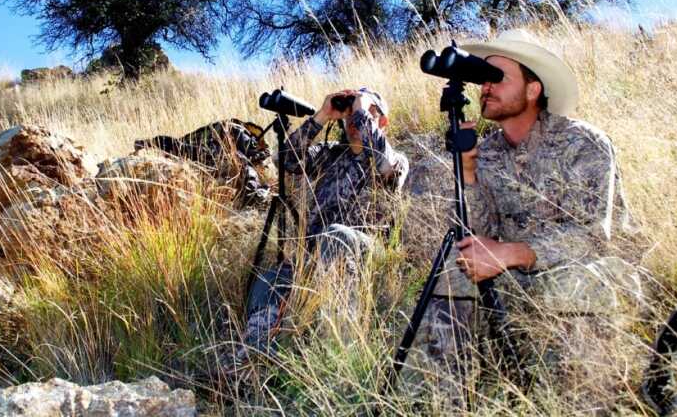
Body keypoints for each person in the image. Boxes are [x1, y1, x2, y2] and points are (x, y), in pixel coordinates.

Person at [404, 29, 636, 409]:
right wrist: (468, 175)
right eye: (483, 79)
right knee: (453, 270)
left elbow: (596, 236)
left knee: (573, 280)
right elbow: (477, 234)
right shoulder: (487, 150)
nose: (486, 88)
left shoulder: (582, 142)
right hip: (516, 282)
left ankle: (586, 403)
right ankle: (445, 400)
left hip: (592, 273)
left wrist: (514, 252)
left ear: (532, 89)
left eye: (498, 78)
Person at [222, 87, 409, 373]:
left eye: (365, 115)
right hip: (313, 259)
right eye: (349, 117)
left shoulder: (395, 159)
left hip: (368, 255)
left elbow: (387, 166)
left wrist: (362, 109)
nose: (354, 122)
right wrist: (322, 116)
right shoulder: (329, 154)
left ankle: (339, 355)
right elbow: (285, 161)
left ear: (380, 122)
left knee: (336, 234)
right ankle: (251, 360)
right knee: (270, 280)